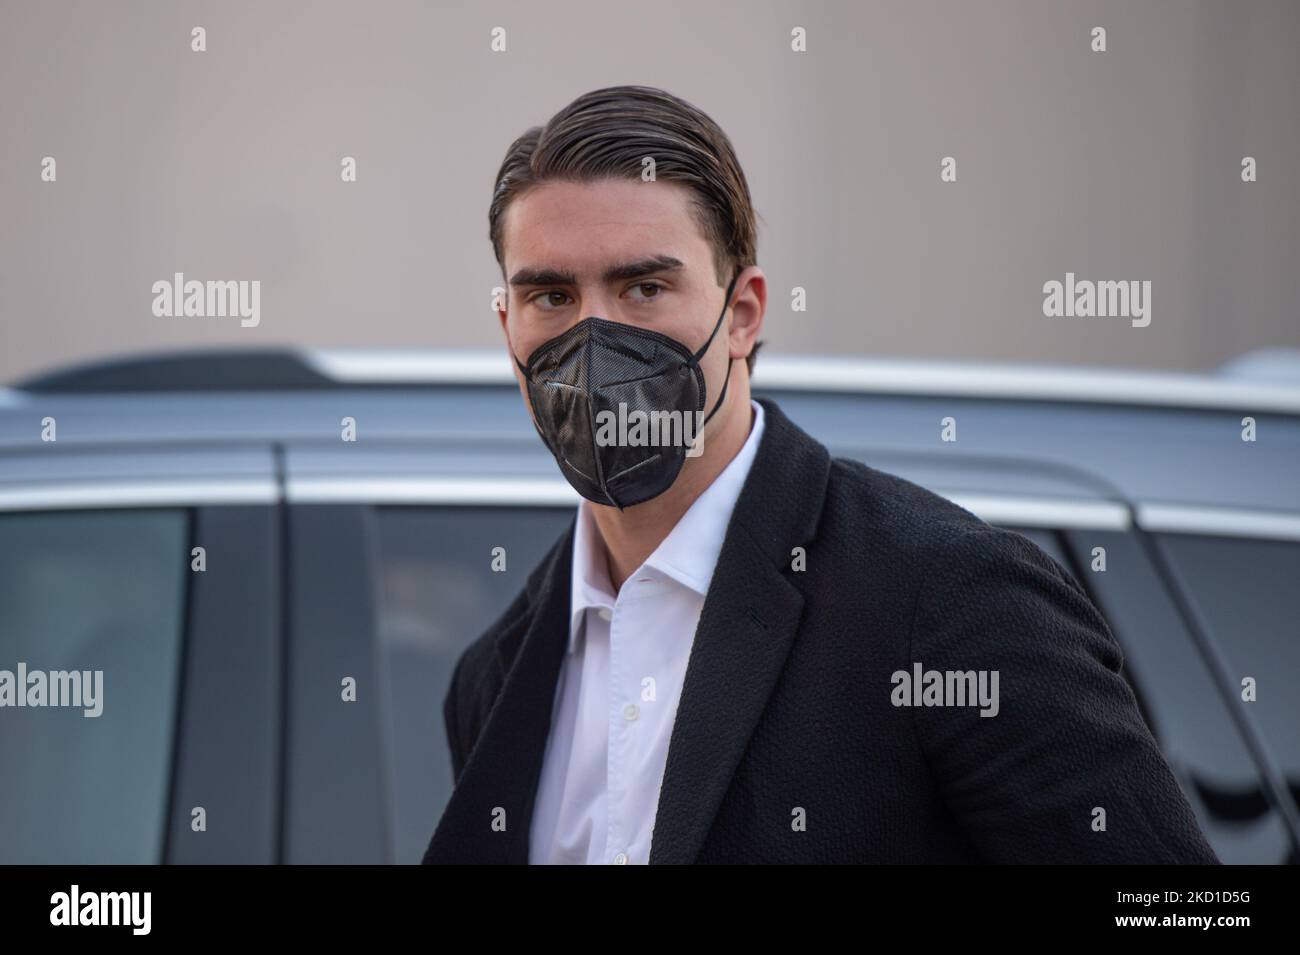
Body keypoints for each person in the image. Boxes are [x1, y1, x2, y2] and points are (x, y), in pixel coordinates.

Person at [421, 84, 1219, 865]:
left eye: (644, 287)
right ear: (507, 327)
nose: (595, 338)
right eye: (552, 296)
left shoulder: (942, 597)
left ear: (744, 313)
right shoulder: (497, 675)